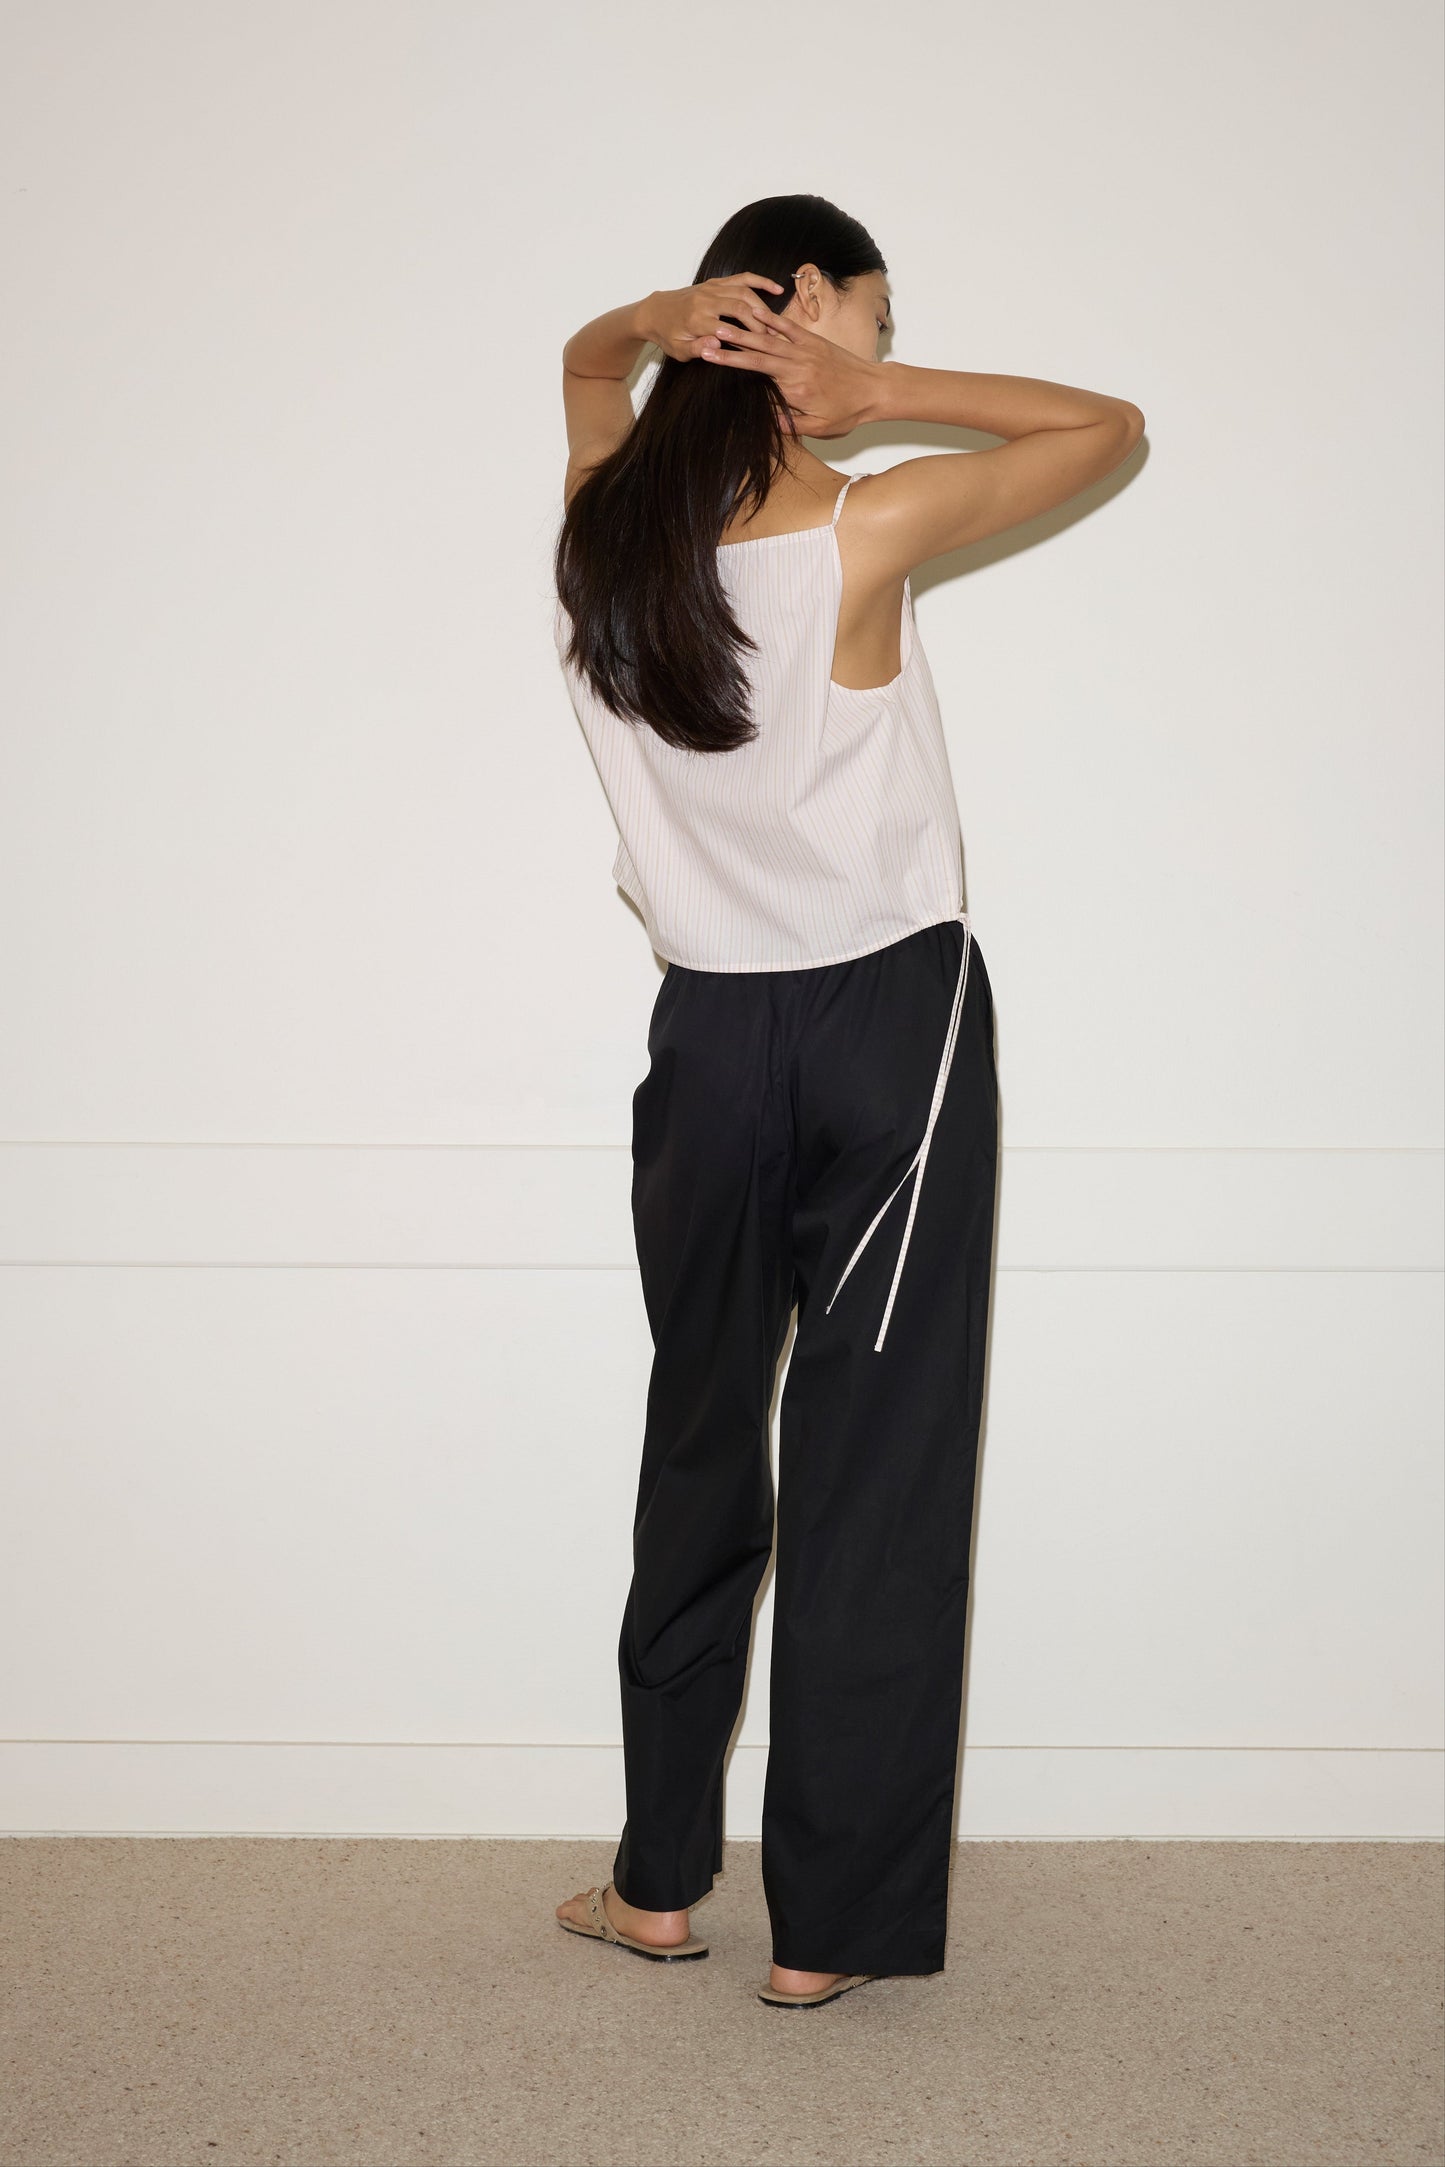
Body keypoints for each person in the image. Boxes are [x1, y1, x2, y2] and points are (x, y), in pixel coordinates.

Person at [549, 194, 1144, 2010]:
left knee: (703, 1437)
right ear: (804, 311)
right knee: (873, 1474)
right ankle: (824, 1937)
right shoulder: (863, 525)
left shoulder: (602, 531)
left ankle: (659, 1883)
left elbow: (583, 364)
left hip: (708, 1049)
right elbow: (1106, 429)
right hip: (892, 1026)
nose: (874, 352)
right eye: (864, 318)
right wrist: (864, 393)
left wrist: (661, 321)